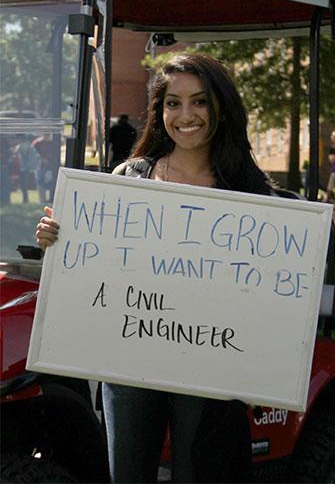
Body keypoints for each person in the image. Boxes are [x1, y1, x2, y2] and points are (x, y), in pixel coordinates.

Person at [35, 54, 278, 481]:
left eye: (200, 102)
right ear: (159, 110)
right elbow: (98, 267)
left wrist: (263, 368)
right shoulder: (130, 178)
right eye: (173, 103)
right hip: (130, 362)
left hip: (210, 365)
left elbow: (275, 287)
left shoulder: (249, 191)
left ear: (221, 107)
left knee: (199, 472)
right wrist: (57, 239)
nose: (186, 115)